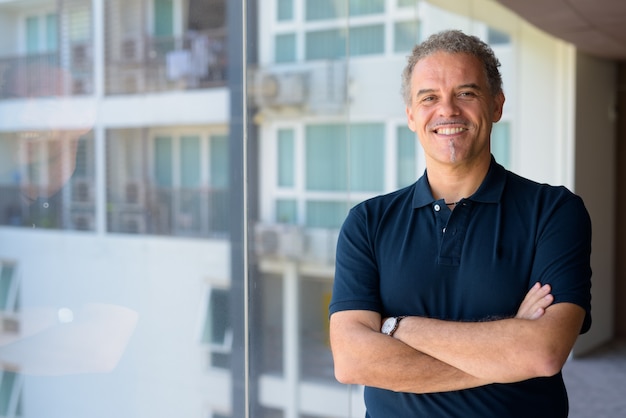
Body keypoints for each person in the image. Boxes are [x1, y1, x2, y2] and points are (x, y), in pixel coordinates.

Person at [328, 30, 592, 417]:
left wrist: (398, 327)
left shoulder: (553, 211)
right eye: (429, 97)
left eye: (466, 93)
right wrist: (505, 353)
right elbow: (352, 361)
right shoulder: (367, 222)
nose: (447, 110)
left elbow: (544, 352)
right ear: (411, 116)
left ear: (497, 105)